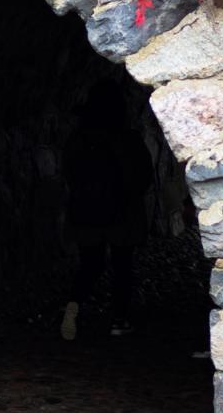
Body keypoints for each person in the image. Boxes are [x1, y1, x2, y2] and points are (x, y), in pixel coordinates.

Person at [60, 80, 153, 340]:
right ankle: (119, 319)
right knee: (122, 265)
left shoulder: (79, 138)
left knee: (90, 264)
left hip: (86, 211)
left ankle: (73, 307)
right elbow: (143, 174)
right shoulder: (127, 137)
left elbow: (68, 171)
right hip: (121, 212)